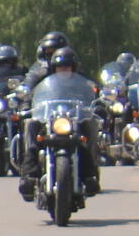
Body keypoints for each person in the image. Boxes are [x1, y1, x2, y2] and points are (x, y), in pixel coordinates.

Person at [25, 46, 103, 198]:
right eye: (60, 66)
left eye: (67, 66)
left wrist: (99, 106)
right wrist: (26, 105)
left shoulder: (83, 80)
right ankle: (29, 175)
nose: (64, 69)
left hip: (74, 119)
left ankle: (89, 174)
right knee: (30, 124)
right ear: (54, 67)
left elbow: (96, 94)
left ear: (73, 67)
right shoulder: (44, 80)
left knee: (90, 124)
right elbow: (30, 95)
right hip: (49, 119)